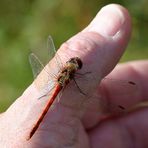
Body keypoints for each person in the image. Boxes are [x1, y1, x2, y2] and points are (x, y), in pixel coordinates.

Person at [1, 4, 148, 148]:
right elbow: (80, 85)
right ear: (76, 68)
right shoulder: (75, 75)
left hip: (54, 87)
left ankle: (31, 131)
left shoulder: (62, 70)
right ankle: (31, 133)